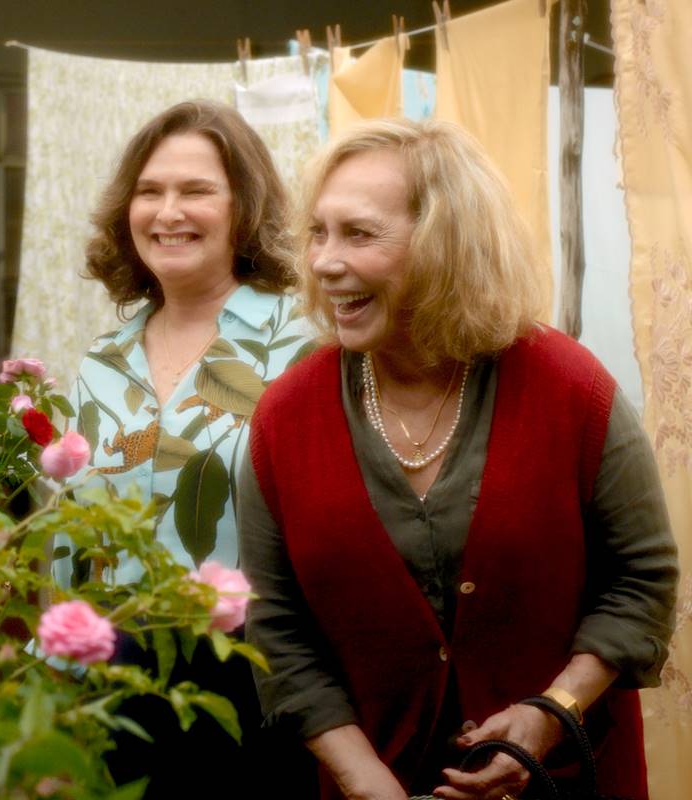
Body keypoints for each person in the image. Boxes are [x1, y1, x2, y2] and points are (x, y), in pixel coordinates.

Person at [239, 118, 678, 800]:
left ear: (446, 242)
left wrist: (552, 712)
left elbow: (642, 581)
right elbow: (276, 629)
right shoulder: (285, 418)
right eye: (317, 233)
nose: (323, 261)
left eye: (358, 233)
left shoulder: (571, 389)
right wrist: (365, 784)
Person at [53, 100, 317, 796]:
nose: (168, 211)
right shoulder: (103, 360)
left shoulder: (307, 346)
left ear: (243, 207)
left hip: (262, 692)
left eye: (196, 190)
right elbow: (69, 538)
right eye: (150, 191)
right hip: (116, 696)